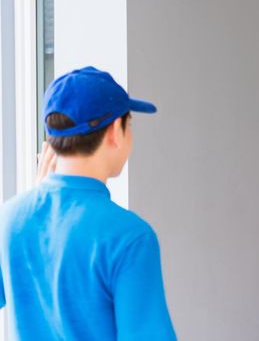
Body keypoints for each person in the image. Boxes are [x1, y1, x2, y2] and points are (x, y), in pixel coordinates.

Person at [0, 66, 177, 340]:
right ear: (115, 131)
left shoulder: (9, 218)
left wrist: (35, 201)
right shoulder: (130, 237)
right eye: (130, 125)